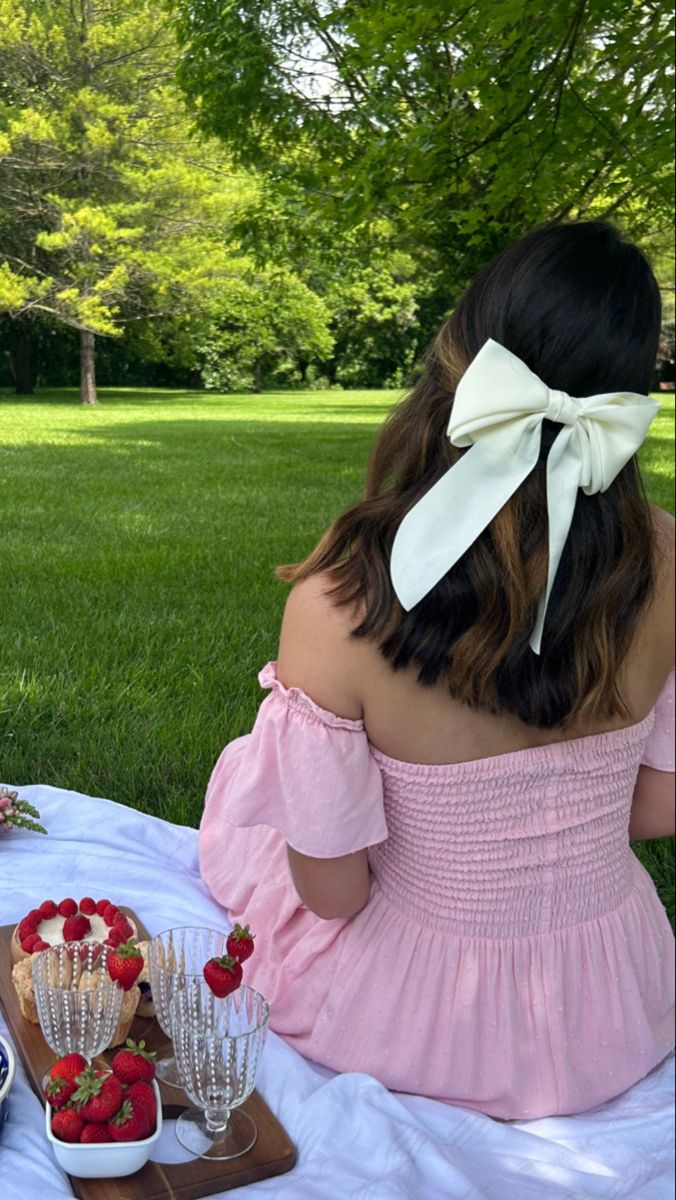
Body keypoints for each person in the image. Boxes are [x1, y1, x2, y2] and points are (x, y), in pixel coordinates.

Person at [198, 220, 675, 1121]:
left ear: (461, 362)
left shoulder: (344, 598)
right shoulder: (667, 561)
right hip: (614, 1005)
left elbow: (332, 895)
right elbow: (657, 812)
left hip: (412, 1021)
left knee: (244, 814)